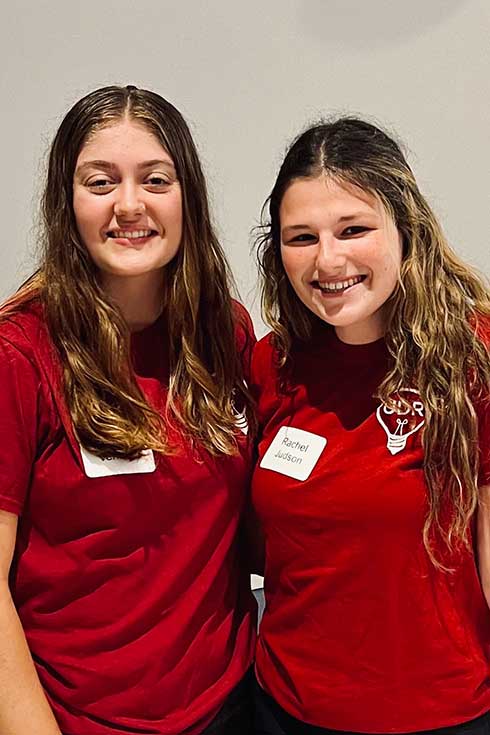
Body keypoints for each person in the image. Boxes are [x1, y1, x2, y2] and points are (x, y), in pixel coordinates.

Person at [0, 85, 257, 735]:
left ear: (187, 196)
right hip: (76, 720)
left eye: (155, 178)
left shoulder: (224, 333)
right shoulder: (20, 354)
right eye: (100, 181)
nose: (130, 204)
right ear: (68, 201)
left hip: (229, 707)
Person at [250, 117, 490, 734]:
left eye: (353, 229)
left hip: (445, 716)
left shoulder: (475, 358)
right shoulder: (271, 363)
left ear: (405, 229)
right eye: (300, 237)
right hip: (287, 710)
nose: (328, 260)